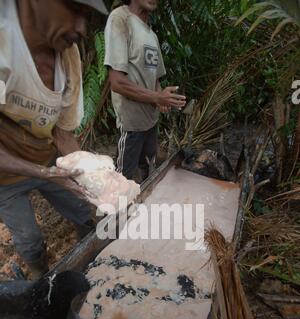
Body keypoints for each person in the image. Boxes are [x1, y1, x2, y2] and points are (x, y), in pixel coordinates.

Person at [0, 0, 108, 279]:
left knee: (84, 212)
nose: (82, 28)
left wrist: (96, 180)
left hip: (46, 159)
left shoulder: (69, 56)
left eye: (86, 17)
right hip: (4, 180)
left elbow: (63, 134)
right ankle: (40, 282)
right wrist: (45, 174)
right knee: (30, 242)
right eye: (74, 10)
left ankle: (93, 264)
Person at [104, 0, 186, 182]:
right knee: (121, 180)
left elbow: (155, 77)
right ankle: (114, 210)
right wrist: (157, 97)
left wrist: (162, 97)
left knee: (148, 171)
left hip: (150, 121)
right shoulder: (121, 18)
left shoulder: (152, 35)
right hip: (131, 123)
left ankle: (142, 208)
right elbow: (117, 82)